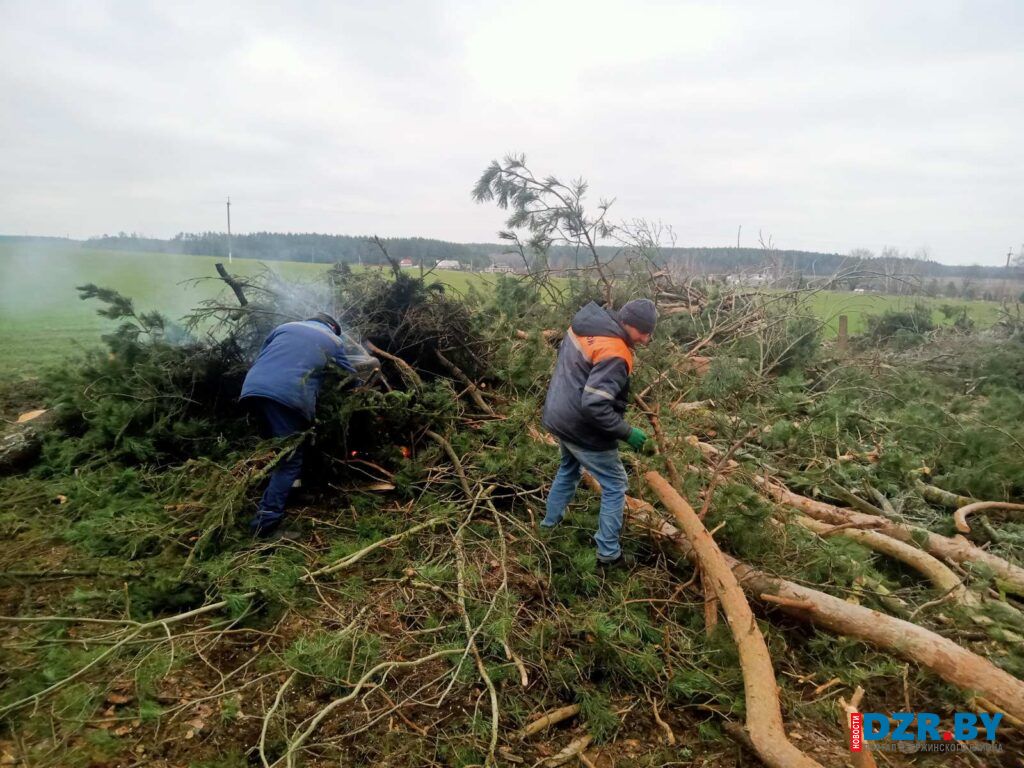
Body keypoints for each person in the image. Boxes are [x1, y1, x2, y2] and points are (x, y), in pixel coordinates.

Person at [540, 298, 657, 568]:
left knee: (568, 468)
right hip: (581, 426)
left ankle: (548, 528)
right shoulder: (616, 351)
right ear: (629, 325)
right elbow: (594, 405)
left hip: (558, 415)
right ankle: (608, 554)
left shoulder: (585, 326)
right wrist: (627, 432)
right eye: (645, 332)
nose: (647, 339)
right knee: (616, 483)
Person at [240, 312, 379, 536]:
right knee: (290, 461)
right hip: (287, 396)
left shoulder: (285, 326)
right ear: (333, 328)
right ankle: (265, 525)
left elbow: (263, 355)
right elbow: (347, 375)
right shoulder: (334, 341)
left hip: (252, 389)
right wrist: (360, 386)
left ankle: (290, 493)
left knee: (279, 449)